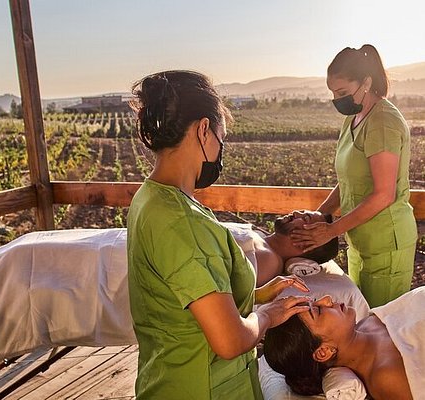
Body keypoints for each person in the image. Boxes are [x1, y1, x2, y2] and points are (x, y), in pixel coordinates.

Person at [127, 70, 312, 400]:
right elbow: (230, 342)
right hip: (204, 386)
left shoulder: (150, 198)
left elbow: (185, 296)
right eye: (220, 137)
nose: (220, 148)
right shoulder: (181, 222)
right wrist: (267, 316)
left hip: (166, 378)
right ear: (203, 130)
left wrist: (258, 294)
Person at [291, 44, 417, 308]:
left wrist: (331, 230)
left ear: (367, 83)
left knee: (379, 326)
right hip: (359, 238)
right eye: (333, 93)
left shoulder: (383, 121)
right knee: (359, 317)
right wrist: (321, 215)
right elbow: (349, 180)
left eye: (342, 92)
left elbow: (384, 194)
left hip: (385, 242)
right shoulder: (354, 118)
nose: (337, 99)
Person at [263, 287, 425, 400]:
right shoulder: (387, 378)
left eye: (314, 300)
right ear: (323, 352)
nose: (326, 299)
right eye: (317, 310)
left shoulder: (366, 325)